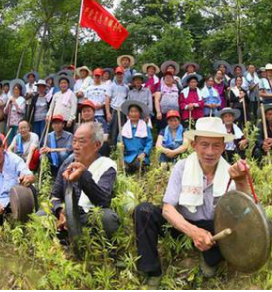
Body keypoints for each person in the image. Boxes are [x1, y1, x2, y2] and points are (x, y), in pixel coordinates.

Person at [133, 117, 255, 284]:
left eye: (216, 145)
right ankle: (152, 271)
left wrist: (241, 182)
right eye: (204, 145)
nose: (210, 152)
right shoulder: (182, 166)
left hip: (214, 229)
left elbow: (245, 211)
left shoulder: (230, 171)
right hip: (182, 223)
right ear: (193, 145)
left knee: (234, 227)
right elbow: (168, 209)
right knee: (143, 211)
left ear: (224, 147)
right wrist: (192, 231)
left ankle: (211, 259)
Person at [47, 122, 118, 241]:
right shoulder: (67, 163)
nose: (75, 146)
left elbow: (103, 201)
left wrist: (83, 175)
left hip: (87, 216)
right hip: (67, 213)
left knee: (107, 218)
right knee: (40, 215)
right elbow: (54, 195)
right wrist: (60, 212)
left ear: (96, 145)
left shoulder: (106, 166)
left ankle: (96, 249)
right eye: (74, 141)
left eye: (81, 141)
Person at [0, 135, 35, 228]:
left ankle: (27, 224)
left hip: (15, 199)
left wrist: (26, 178)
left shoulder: (14, 159)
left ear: (3, 147)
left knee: (31, 188)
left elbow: (31, 176)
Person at [119, 101, 153, 174]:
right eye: (131, 111)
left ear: (139, 113)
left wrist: (144, 153)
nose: (133, 114)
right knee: (125, 170)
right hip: (128, 156)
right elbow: (119, 141)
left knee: (140, 167)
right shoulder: (124, 128)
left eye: (136, 111)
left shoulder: (145, 127)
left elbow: (149, 142)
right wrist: (120, 146)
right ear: (128, 114)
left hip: (141, 156)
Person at [40, 114, 73, 180]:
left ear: (63, 124)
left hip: (64, 159)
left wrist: (52, 150)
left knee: (62, 154)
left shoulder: (69, 135)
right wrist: (43, 150)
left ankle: (63, 174)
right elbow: (44, 147)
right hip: (52, 158)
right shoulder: (49, 136)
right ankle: (46, 176)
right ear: (52, 125)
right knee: (42, 156)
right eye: (54, 123)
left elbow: (68, 149)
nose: (56, 125)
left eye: (58, 123)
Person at [106, 67, 130, 146]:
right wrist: (108, 113)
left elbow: (127, 99)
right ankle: (112, 149)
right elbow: (107, 99)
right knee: (113, 131)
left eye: (121, 74)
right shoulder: (111, 86)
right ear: (115, 75)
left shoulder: (126, 87)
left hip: (123, 111)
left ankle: (122, 149)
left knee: (123, 130)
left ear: (123, 75)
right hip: (114, 110)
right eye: (118, 74)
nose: (119, 75)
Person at [4, 81, 26, 146]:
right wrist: (8, 104)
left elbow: (22, 111)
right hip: (10, 122)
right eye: (14, 89)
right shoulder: (10, 98)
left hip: (18, 122)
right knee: (9, 139)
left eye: (17, 89)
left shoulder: (22, 99)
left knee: (17, 138)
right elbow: (5, 111)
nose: (15, 91)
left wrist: (15, 103)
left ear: (20, 91)